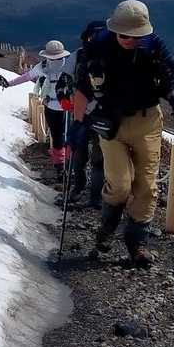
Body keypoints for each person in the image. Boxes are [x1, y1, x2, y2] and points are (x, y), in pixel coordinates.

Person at [72, 0, 174, 267]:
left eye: (135, 36)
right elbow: (82, 87)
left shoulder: (153, 46)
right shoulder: (98, 46)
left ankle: (137, 243)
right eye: (124, 35)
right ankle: (107, 229)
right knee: (120, 185)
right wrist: (78, 123)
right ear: (114, 30)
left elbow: (170, 74)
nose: (130, 40)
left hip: (147, 121)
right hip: (111, 123)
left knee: (146, 186)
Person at [0, 39, 76, 177]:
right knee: (66, 136)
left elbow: (27, 77)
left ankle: (60, 166)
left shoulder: (43, 66)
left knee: (57, 136)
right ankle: (68, 165)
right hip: (68, 106)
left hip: (51, 106)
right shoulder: (69, 64)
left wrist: (8, 84)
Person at [65, 20, 107, 208]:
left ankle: (87, 192)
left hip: (86, 113)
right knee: (85, 155)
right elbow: (66, 80)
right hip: (94, 114)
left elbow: (66, 80)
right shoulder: (79, 56)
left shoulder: (78, 56)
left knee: (93, 156)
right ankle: (88, 192)